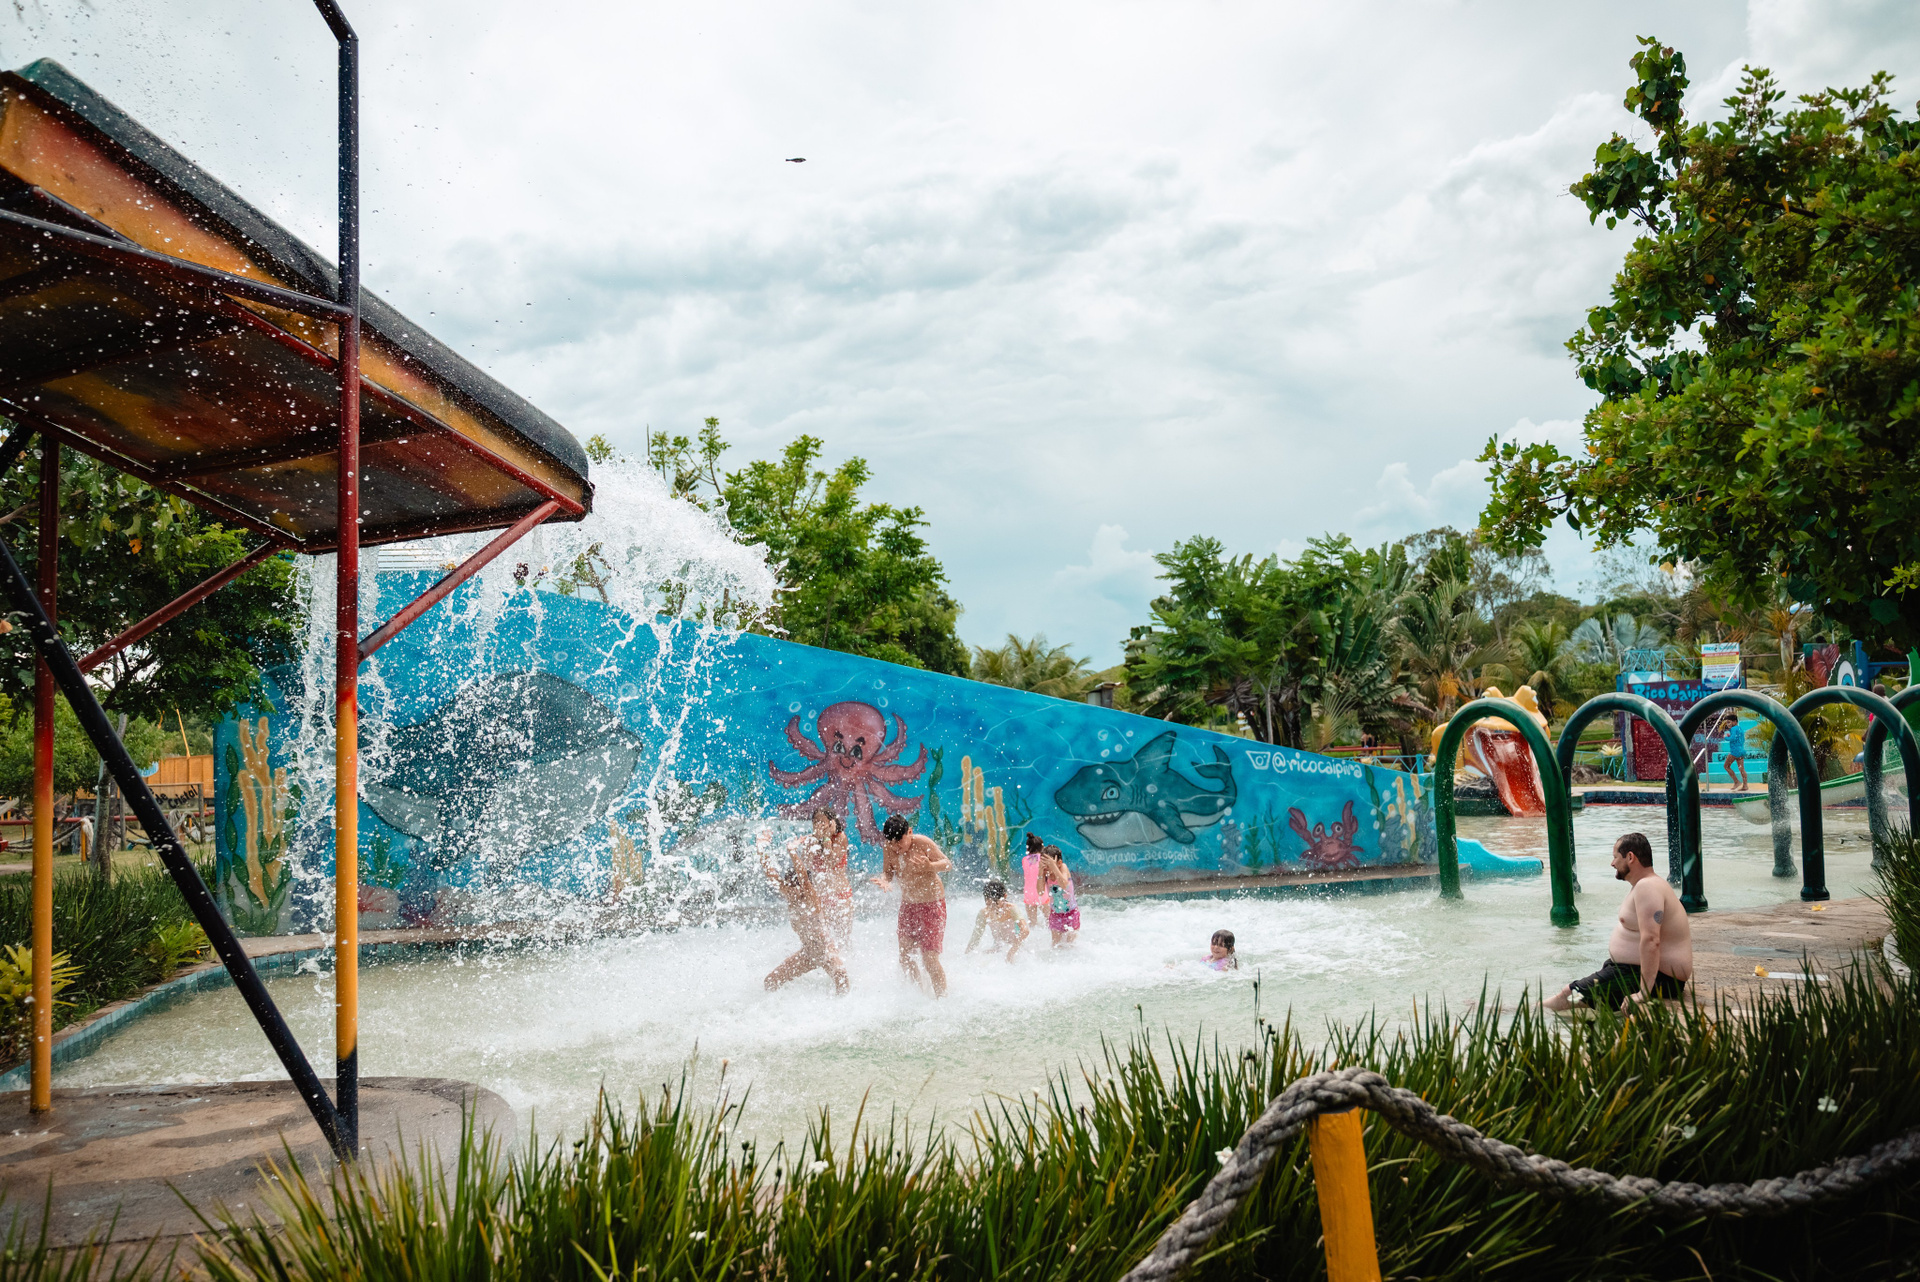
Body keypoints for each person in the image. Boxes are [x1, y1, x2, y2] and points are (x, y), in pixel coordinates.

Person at [1546, 833, 1692, 1012]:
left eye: (1615, 857)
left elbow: (1651, 940)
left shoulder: (1648, 887)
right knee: (1579, 1000)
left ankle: (1524, 1013)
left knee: (1569, 995)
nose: (1612, 863)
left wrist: (1643, 993)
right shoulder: (1645, 885)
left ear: (1630, 857)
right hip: (1635, 972)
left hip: (1660, 980)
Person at [871, 813, 951, 997]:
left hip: (932, 905)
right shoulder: (889, 847)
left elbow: (947, 864)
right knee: (905, 955)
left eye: (899, 842)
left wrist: (930, 866)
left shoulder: (922, 843)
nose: (896, 847)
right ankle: (919, 995)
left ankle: (943, 999)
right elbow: (888, 872)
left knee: (929, 959)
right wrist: (885, 880)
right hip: (908, 907)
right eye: (892, 843)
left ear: (909, 832)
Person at [760, 834, 848, 995]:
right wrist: (761, 850)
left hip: (826, 952)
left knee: (842, 979)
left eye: (796, 886)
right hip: (808, 953)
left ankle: (842, 1007)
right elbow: (771, 875)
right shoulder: (790, 896)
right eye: (790, 886)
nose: (793, 890)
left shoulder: (811, 899)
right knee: (770, 981)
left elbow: (804, 880)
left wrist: (793, 852)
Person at [799, 807, 854, 947]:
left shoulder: (840, 837)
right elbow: (805, 862)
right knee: (824, 938)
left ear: (831, 822)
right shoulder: (811, 840)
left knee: (843, 938)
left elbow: (830, 863)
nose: (819, 825)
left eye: (822, 821)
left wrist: (826, 839)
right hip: (821, 896)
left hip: (840, 895)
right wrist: (814, 841)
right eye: (815, 821)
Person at [964, 879, 1030, 962]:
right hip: (998, 947)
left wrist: (1011, 952)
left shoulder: (1011, 909)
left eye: (996, 904)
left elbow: (1025, 930)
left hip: (1016, 947)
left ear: (1005, 896)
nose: (993, 908)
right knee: (979, 958)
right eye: (988, 904)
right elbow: (976, 937)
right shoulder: (984, 913)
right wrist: (966, 956)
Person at [1040, 844, 1079, 948]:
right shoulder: (1045, 873)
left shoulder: (1063, 868)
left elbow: (1064, 884)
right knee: (1056, 946)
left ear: (1059, 863)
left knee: (1070, 946)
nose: (1046, 867)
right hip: (1055, 914)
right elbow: (1039, 892)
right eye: (1044, 864)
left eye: (1049, 864)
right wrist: (1040, 871)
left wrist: (1053, 867)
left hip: (1071, 913)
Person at [1020, 832, 1046, 928]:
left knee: (1032, 923)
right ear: (1042, 847)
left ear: (1028, 848)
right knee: (1049, 920)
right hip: (1042, 892)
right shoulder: (1043, 859)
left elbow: (1033, 862)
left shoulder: (1024, 860)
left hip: (1028, 894)